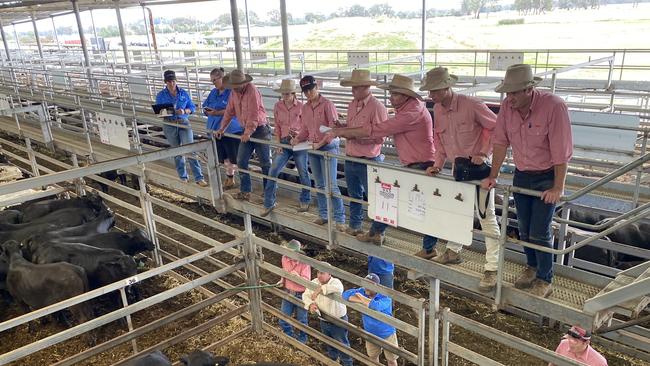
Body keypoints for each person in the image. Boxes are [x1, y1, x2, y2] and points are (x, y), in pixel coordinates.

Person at [481, 64, 573, 298]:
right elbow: (500, 142)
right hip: (522, 173)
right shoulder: (507, 107)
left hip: (547, 175)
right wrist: (493, 175)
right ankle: (532, 267)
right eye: (507, 93)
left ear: (528, 90)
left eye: (513, 93)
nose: (509, 98)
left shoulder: (553, 106)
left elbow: (561, 150)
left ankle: (545, 278)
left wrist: (558, 186)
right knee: (523, 227)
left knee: (540, 230)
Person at [328, 74, 438, 258]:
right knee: (391, 199)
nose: (391, 97)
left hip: (421, 164)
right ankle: (377, 231)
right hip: (415, 163)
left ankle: (428, 247)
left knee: (418, 205)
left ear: (405, 96)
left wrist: (342, 132)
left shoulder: (411, 113)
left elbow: (379, 130)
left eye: (395, 94)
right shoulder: (408, 110)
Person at [420, 67, 501, 292]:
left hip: (479, 171)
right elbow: (441, 140)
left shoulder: (471, 104)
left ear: (447, 87)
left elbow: (496, 129)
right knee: (457, 212)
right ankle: (453, 251)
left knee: (486, 217)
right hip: (459, 170)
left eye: (435, 91)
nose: (432, 95)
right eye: (430, 91)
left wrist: (484, 153)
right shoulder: (437, 108)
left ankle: (492, 268)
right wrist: (437, 164)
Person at [339, 69, 388, 235]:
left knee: (374, 197)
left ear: (366, 87)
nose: (353, 91)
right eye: (352, 88)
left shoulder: (377, 107)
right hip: (351, 157)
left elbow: (380, 137)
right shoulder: (352, 105)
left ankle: (377, 232)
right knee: (354, 196)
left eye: (356, 87)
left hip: (369, 159)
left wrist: (354, 135)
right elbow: (351, 128)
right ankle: (355, 226)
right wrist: (343, 128)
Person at [293, 75, 345, 230]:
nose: (308, 93)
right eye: (305, 91)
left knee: (331, 184)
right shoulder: (305, 107)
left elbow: (332, 129)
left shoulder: (327, 105)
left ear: (317, 87)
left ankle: (340, 219)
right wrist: (297, 138)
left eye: (311, 89)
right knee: (320, 183)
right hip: (313, 147)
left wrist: (320, 143)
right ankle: (323, 215)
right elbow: (305, 128)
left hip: (327, 147)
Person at [215, 69, 271, 201]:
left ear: (243, 83)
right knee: (241, 160)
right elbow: (229, 111)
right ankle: (246, 190)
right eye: (233, 86)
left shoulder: (252, 91)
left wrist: (247, 132)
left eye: (236, 86)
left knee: (264, 162)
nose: (234, 88)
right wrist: (222, 128)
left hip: (259, 129)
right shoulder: (234, 93)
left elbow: (254, 114)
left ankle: (269, 191)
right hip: (247, 129)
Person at [261, 79, 311, 217]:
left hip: (299, 142)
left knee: (303, 172)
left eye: (288, 94)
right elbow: (276, 125)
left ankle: (305, 199)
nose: (286, 96)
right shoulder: (278, 106)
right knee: (273, 170)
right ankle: (269, 202)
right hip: (284, 141)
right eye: (284, 94)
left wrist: (299, 134)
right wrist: (278, 143)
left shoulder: (302, 107)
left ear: (294, 93)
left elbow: (307, 126)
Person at [155, 70, 208, 187]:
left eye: (173, 81)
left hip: (183, 122)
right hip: (169, 123)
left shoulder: (183, 93)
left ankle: (199, 177)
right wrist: (172, 111)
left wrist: (184, 111)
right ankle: (183, 177)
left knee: (190, 149)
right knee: (177, 151)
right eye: (169, 82)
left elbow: (192, 107)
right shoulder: (161, 95)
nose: (171, 83)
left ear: (176, 81)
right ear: (165, 82)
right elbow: (159, 111)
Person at [303, 264, 353, 366]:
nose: (319, 275)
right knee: (329, 343)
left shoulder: (336, 282)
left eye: (322, 273)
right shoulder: (314, 282)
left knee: (342, 345)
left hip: (338, 321)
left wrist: (320, 289)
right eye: (318, 273)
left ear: (329, 274)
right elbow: (305, 295)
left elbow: (338, 289)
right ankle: (333, 361)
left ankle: (347, 363)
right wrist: (311, 304)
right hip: (324, 320)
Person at [343, 273, 398, 366]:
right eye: (365, 284)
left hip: (387, 333)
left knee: (391, 360)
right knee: (372, 357)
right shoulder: (363, 290)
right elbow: (345, 295)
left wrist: (360, 297)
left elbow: (375, 306)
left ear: (377, 286)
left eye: (369, 285)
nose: (366, 288)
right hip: (370, 332)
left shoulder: (385, 296)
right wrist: (362, 301)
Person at [203, 67, 243, 190]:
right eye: (212, 81)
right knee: (223, 156)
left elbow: (235, 110)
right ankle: (230, 178)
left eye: (214, 80)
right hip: (215, 129)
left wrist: (217, 112)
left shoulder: (231, 92)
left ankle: (236, 180)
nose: (213, 83)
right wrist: (207, 111)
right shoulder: (213, 92)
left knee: (234, 157)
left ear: (222, 78)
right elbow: (205, 105)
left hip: (231, 129)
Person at [276, 239, 311, 344]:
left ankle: (302, 340)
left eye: (291, 252)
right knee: (283, 318)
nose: (288, 255)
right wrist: (282, 280)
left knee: (302, 320)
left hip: (301, 294)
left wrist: (298, 277)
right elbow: (284, 272)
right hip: (288, 291)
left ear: (297, 253)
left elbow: (307, 281)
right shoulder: (284, 258)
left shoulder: (304, 263)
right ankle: (290, 337)